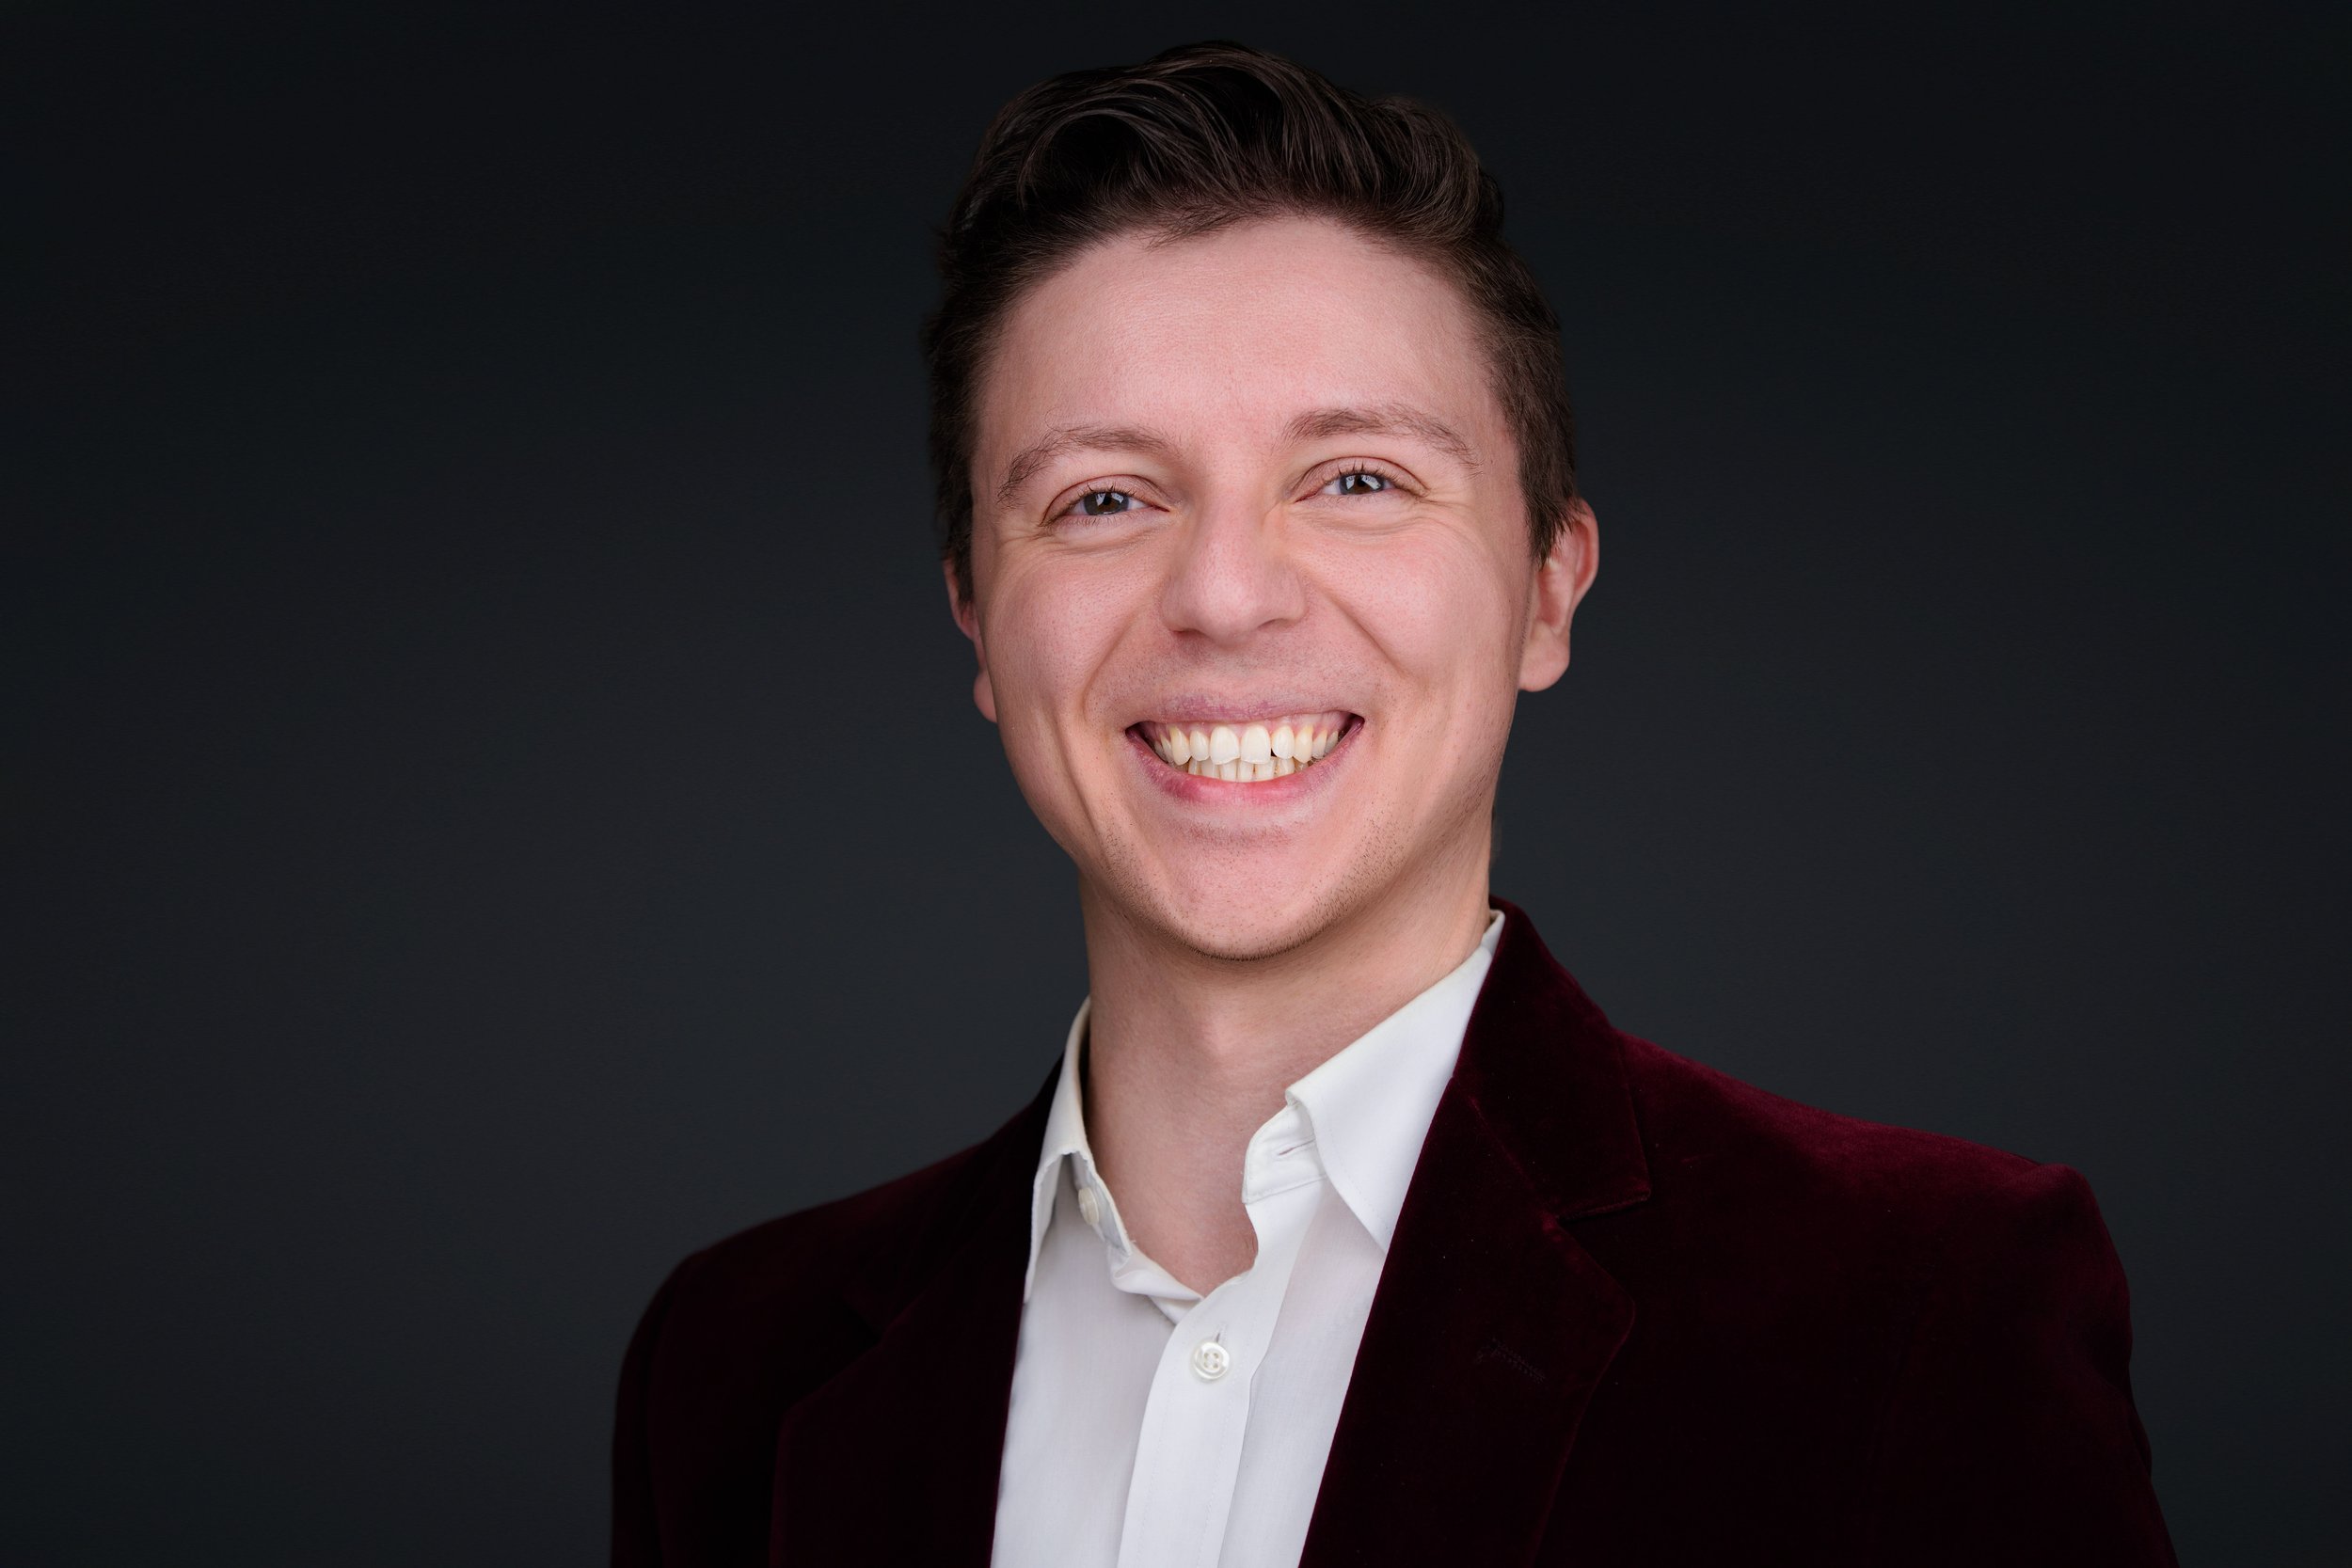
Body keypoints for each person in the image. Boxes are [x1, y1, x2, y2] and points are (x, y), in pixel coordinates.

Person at [611, 41, 2175, 1566]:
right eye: (1105, 498)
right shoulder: (733, 1364)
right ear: (977, 619)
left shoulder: (1922, 1307)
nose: (1226, 596)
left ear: (1546, 589)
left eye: (1357, 479)